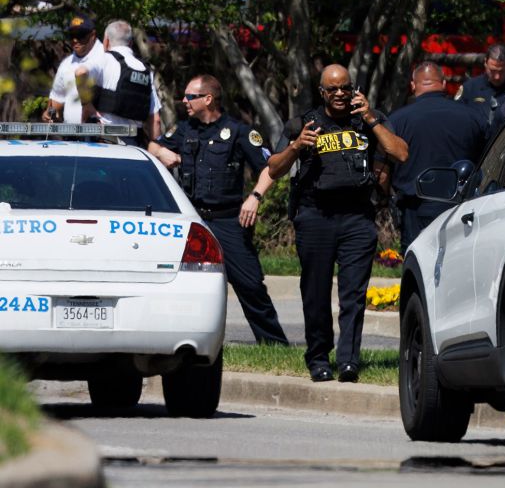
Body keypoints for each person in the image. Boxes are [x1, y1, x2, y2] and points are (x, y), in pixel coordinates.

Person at [267, 65, 408, 383]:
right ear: (322, 92)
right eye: (333, 90)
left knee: (353, 295)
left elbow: (400, 153)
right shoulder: (303, 123)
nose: (341, 94)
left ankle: (348, 361)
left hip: (358, 218)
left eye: (346, 87)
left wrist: (371, 119)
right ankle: (318, 358)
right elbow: (274, 169)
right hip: (315, 216)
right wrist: (296, 146)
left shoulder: (370, 120)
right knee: (315, 293)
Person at [148, 74, 287, 346]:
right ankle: (180, 343)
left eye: (190, 96)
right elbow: (152, 146)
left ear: (208, 99)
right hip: (192, 221)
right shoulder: (185, 130)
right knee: (180, 283)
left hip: (227, 219)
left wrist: (255, 197)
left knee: (250, 284)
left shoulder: (238, 131)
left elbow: (271, 168)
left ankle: (274, 343)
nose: (184, 101)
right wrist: (161, 152)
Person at [385, 61, 488, 248]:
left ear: (413, 85)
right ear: (443, 83)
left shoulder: (397, 120)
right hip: (461, 207)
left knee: (416, 266)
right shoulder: (473, 117)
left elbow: (382, 170)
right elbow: (487, 162)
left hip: (414, 208)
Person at [74, 20, 162, 146]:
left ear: (106, 40)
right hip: (134, 143)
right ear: (130, 43)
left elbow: (80, 72)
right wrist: (156, 148)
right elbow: (156, 120)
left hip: (103, 142)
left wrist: (86, 104)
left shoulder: (104, 59)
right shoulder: (145, 70)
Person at [44, 13, 104, 124]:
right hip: (71, 137)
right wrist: (49, 113)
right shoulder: (66, 64)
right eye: (71, 36)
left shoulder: (106, 57)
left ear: (93, 35)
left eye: (80, 35)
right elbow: (56, 100)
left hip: (100, 137)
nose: (75, 40)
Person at [455, 43, 505, 126]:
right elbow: (457, 116)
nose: (497, 77)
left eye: (501, 71)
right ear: (485, 63)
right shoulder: (470, 88)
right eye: (492, 71)